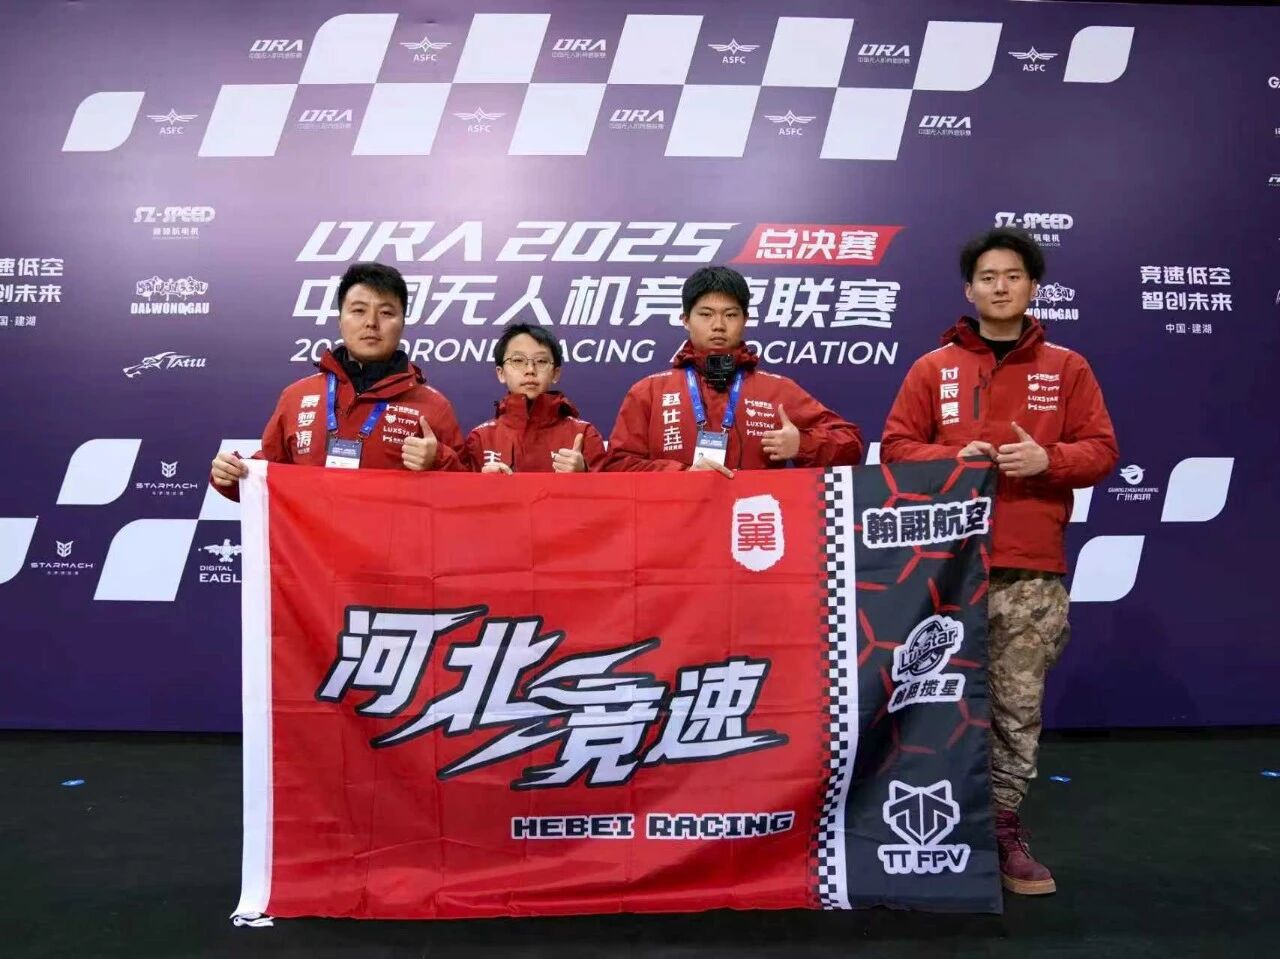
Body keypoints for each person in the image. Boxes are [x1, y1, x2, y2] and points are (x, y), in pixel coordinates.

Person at [880, 227, 1118, 896]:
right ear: (969, 289)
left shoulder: (1067, 367)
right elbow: (895, 447)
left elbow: (1102, 451)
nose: (1001, 286)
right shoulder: (933, 368)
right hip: (942, 569)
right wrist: (952, 457)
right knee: (930, 704)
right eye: (988, 276)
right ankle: (925, 826)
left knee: (1016, 706)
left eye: (1013, 275)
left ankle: (1002, 828)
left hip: (1029, 567)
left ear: (1033, 286)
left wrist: (1050, 459)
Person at [210, 262, 465, 498]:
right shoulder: (297, 396)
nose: (371, 323)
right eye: (358, 310)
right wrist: (232, 475)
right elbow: (268, 476)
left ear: (402, 324)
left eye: (386, 312)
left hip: (395, 535)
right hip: (310, 535)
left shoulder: (433, 406)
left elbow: (466, 494)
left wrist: (439, 460)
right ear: (340, 321)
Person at [602, 265, 862, 474]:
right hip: (676, 521)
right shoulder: (649, 391)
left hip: (754, 518)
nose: (718, 325)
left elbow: (850, 444)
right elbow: (616, 465)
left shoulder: (776, 390)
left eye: (730, 314)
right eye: (706, 314)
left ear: (745, 319)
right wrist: (682, 474)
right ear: (685, 320)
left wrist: (803, 445)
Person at [465, 323, 607, 473]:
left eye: (541, 361)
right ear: (501, 373)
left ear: (556, 374)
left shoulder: (584, 433)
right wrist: (483, 483)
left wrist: (583, 473)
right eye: (518, 360)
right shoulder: (481, 438)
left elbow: (610, 487)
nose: (530, 370)